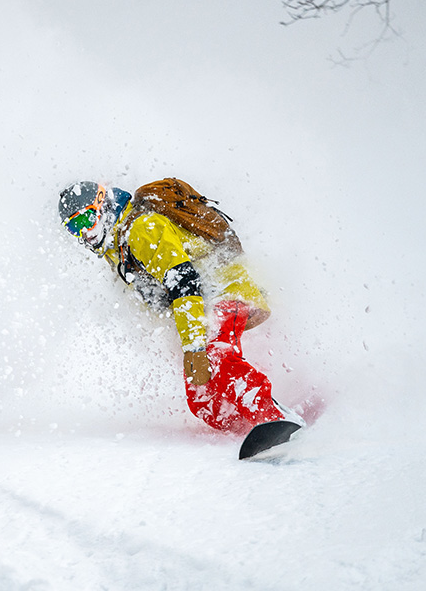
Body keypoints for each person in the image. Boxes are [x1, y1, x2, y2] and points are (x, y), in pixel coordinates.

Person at [58, 178, 303, 436]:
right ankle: (254, 431)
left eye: (85, 220)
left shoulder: (142, 228)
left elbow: (185, 283)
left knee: (216, 357)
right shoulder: (116, 248)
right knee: (203, 399)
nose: (83, 233)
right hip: (200, 306)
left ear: (102, 205)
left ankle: (273, 418)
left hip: (223, 287)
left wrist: (194, 346)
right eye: (73, 228)